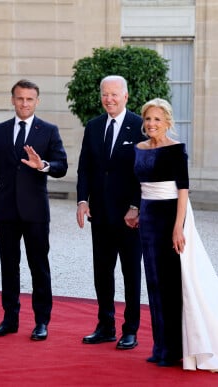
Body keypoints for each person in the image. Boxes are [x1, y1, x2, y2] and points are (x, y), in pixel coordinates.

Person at [134, 98, 218, 384]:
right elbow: (140, 187)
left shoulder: (175, 150)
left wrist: (178, 227)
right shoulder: (139, 148)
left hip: (170, 215)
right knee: (154, 283)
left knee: (172, 284)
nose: (151, 124)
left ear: (168, 122)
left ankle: (175, 349)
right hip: (147, 218)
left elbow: (183, 190)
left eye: (157, 119)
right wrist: (135, 211)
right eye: (148, 119)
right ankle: (161, 348)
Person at [0, 79, 68, 341]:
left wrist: (43, 166)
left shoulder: (48, 131)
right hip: (5, 210)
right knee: (9, 266)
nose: (25, 103)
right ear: (13, 100)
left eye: (30, 99)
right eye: (20, 98)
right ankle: (10, 319)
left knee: (39, 266)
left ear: (37, 101)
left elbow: (61, 166)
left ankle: (41, 321)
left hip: (35, 212)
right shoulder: (0, 130)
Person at [76, 75, 144, 350]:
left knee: (131, 274)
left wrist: (136, 206)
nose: (109, 99)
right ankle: (105, 326)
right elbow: (85, 168)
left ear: (126, 96)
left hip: (130, 217)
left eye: (115, 94)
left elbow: (145, 171)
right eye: (105, 94)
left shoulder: (140, 125)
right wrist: (82, 200)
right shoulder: (92, 127)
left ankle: (130, 330)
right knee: (102, 273)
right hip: (100, 214)